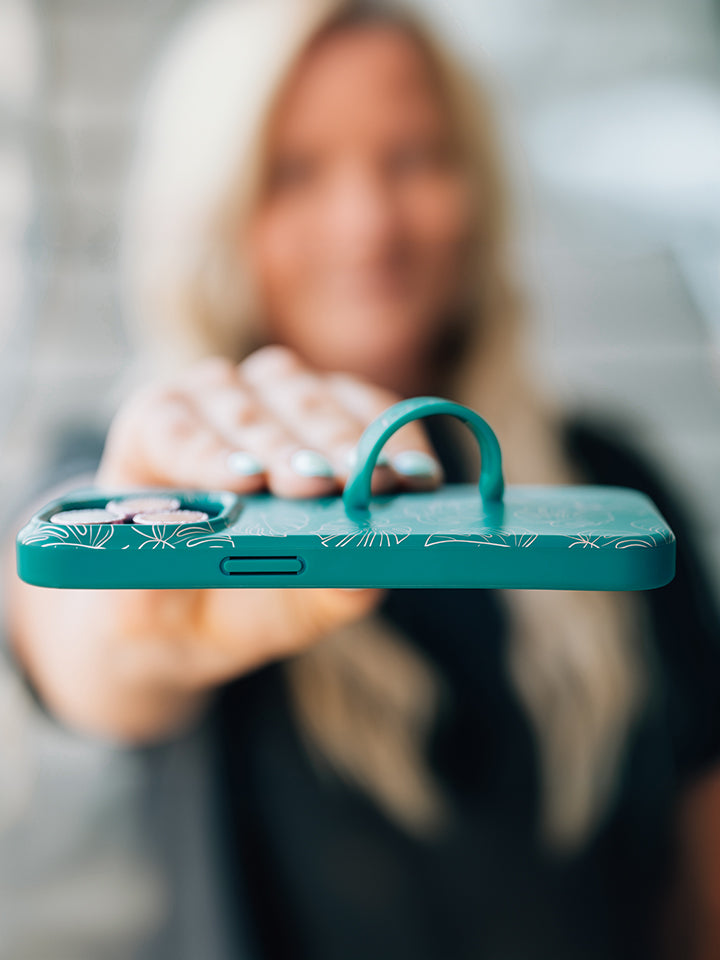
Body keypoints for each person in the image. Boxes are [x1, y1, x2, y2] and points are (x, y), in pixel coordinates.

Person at [5, 0, 720, 957]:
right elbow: (84, 645)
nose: (368, 222)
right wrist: (135, 622)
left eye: (414, 156)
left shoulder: (607, 485)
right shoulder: (142, 479)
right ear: (218, 208)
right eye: (295, 171)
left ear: (474, 188)